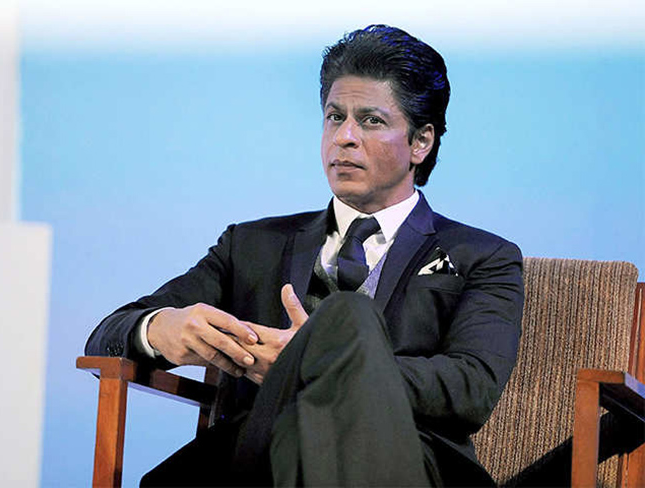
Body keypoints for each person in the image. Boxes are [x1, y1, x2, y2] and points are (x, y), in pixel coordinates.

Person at [86, 24, 524, 487]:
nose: (344, 137)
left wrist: (315, 361)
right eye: (335, 117)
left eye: (371, 121)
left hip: (403, 460)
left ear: (421, 142)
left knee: (348, 316)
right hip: (260, 457)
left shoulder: (482, 256)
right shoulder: (251, 245)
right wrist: (159, 329)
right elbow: (104, 337)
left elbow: (470, 388)